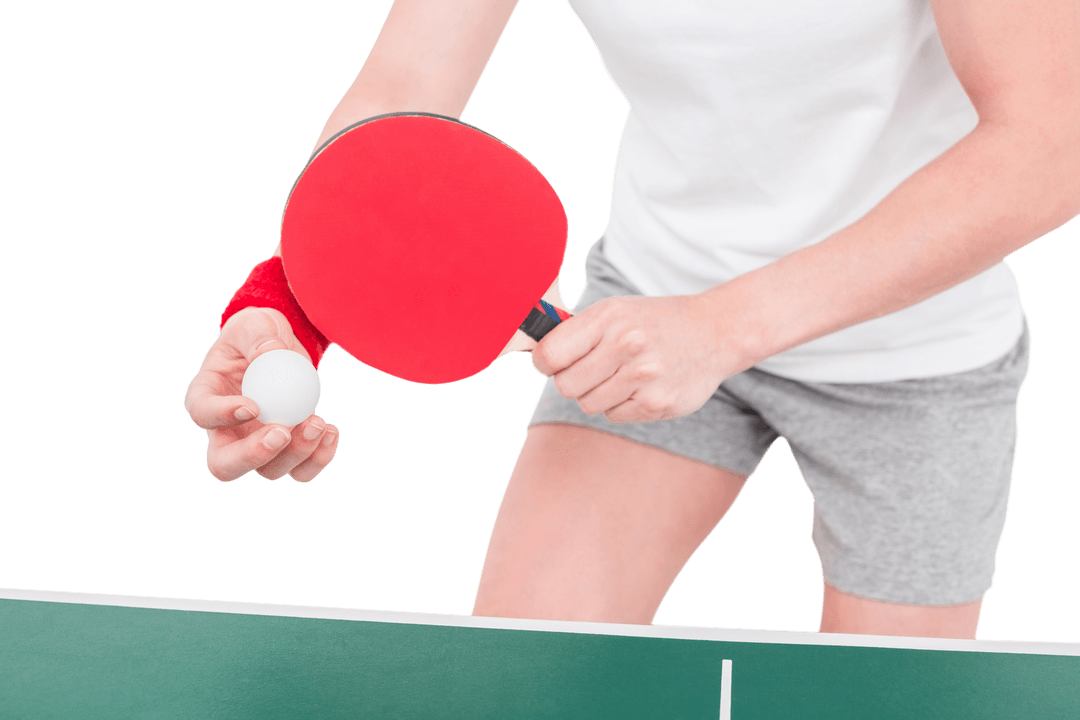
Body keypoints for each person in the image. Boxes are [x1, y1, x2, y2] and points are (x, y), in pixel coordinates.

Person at [184, 0, 1080, 639]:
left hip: (910, 351)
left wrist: (724, 328)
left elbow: (1052, 145)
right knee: (524, 680)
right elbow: (403, 92)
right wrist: (286, 308)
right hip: (649, 311)